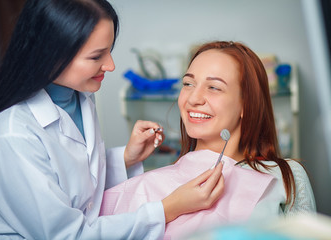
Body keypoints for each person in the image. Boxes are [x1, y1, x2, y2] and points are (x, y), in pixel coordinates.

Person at [0, 1, 225, 239]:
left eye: (109, 51)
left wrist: (127, 157)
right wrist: (169, 208)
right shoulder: (11, 136)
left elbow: (75, 184)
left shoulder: (80, 98)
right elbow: (68, 234)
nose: (111, 66)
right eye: (96, 56)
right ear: (50, 55)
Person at [99, 41, 316, 239]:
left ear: (246, 104)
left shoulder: (285, 176)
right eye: (188, 84)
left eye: (214, 87)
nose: (193, 98)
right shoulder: (151, 188)